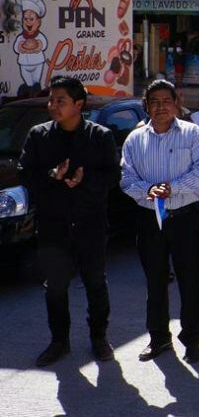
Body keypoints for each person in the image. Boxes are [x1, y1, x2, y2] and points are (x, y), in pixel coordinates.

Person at [19, 76, 120, 367]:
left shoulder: (99, 136)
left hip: (90, 223)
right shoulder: (39, 135)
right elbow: (25, 174)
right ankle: (59, 341)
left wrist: (83, 180)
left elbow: (114, 176)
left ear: (78, 104)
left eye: (60, 101)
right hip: (53, 224)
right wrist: (52, 175)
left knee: (95, 283)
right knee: (55, 286)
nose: (53, 105)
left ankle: (99, 338)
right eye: (51, 100)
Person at [120, 79, 199, 364]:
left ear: (176, 103)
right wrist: (148, 190)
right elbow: (126, 177)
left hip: (184, 219)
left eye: (166, 101)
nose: (160, 107)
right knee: (155, 282)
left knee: (190, 282)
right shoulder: (134, 139)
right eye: (154, 102)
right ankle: (159, 337)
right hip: (150, 220)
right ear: (146, 106)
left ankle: (192, 340)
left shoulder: (192, 134)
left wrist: (173, 188)